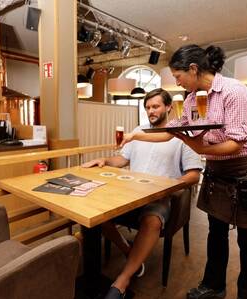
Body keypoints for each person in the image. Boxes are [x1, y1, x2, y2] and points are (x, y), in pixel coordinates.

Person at [120, 45, 247, 299]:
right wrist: (136, 135)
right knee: (216, 233)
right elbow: (171, 133)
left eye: (178, 77)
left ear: (193, 69)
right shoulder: (191, 99)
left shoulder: (233, 91)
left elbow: (236, 142)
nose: (177, 82)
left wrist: (199, 147)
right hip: (216, 172)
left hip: (244, 172)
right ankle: (213, 285)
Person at [82, 88, 202, 299]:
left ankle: (123, 280)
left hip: (161, 197)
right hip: (131, 194)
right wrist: (105, 161)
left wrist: (168, 185)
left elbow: (194, 175)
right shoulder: (139, 130)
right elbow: (123, 159)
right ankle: (130, 253)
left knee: (152, 221)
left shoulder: (182, 135)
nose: (151, 111)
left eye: (155, 106)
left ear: (168, 107)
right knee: (97, 214)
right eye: (147, 107)